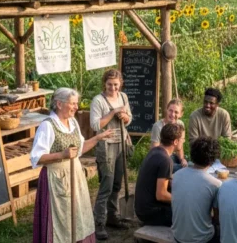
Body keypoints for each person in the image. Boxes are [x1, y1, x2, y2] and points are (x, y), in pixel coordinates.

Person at [31, 88, 114, 243]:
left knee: (78, 216)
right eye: (73, 103)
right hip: (56, 180)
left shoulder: (73, 122)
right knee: (61, 221)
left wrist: (97, 138)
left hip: (75, 176)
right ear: (59, 104)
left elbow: (79, 149)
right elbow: (37, 158)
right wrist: (61, 155)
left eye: (76, 103)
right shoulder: (48, 126)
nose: (76, 107)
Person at [89, 69, 133, 239]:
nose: (113, 88)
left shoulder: (123, 97)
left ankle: (112, 216)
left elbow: (129, 119)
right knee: (106, 185)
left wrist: (125, 117)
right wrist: (113, 112)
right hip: (106, 146)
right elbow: (95, 125)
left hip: (121, 143)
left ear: (120, 83)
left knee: (116, 184)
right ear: (104, 84)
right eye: (109, 85)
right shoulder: (98, 101)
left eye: (116, 85)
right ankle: (99, 222)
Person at [172, 137, 222, 243]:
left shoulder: (176, 175)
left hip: (177, 236)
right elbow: (217, 218)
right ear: (212, 160)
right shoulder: (215, 184)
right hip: (202, 239)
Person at [134, 123, 185, 226]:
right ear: (175, 141)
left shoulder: (155, 151)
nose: (183, 141)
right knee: (186, 214)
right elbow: (161, 195)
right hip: (149, 213)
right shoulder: (165, 160)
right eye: (182, 139)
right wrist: (181, 200)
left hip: (141, 208)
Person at [151, 99, 187, 172]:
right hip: (161, 158)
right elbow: (154, 151)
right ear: (166, 110)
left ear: (181, 114)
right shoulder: (158, 126)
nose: (172, 114)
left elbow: (180, 147)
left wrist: (182, 159)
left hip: (174, 156)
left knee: (188, 167)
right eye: (170, 110)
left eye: (176, 112)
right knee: (181, 170)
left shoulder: (180, 124)